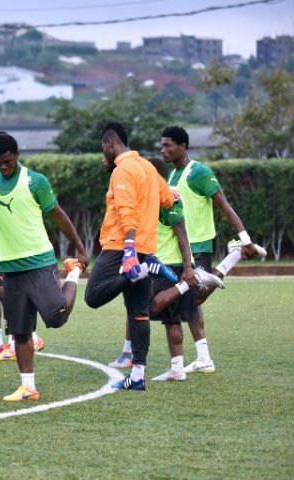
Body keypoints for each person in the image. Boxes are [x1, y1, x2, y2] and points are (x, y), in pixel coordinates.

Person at [0, 133, 88, 402]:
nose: (3, 166)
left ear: (17, 155)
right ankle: (28, 387)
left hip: (39, 261)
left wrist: (79, 248)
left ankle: (73, 272)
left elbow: (58, 216)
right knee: (19, 330)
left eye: (7, 161)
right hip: (9, 268)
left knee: (57, 317)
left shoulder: (35, 181)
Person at [109, 158, 227, 380]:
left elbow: (182, 234)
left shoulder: (169, 198)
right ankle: (177, 370)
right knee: (170, 319)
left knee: (149, 307)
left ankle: (191, 281)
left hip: (168, 264)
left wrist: (187, 269)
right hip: (156, 262)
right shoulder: (150, 197)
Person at [160, 126, 265, 374]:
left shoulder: (199, 172)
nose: (162, 150)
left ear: (182, 146)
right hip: (179, 248)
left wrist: (245, 238)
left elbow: (225, 206)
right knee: (190, 303)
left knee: (189, 300)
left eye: (167, 145)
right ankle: (204, 359)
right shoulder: (171, 177)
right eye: (161, 145)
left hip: (198, 246)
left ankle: (233, 256)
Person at [84, 122, 176, 391]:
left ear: (110, 144)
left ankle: (144, 269)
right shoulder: (148, 166)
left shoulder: (122, 170)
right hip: (146, 247)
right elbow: (168, 199)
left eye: (104, 147)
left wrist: (129, 252)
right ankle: (137, 376)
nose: (104, 153)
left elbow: (126, 211)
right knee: (139, 313)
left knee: (93, 296)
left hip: (122, 246)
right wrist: (175, 195)